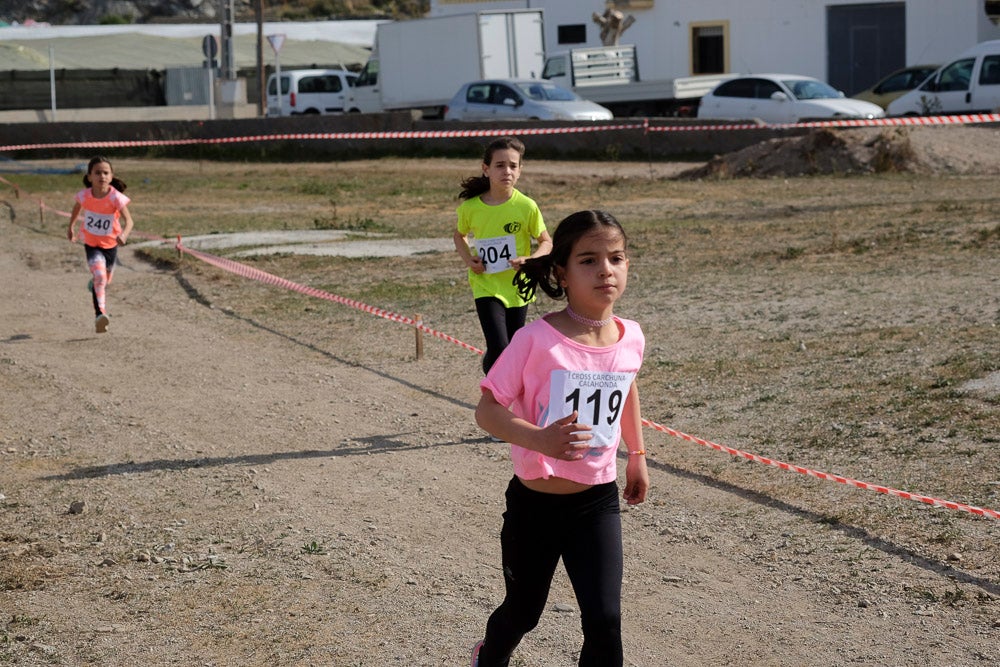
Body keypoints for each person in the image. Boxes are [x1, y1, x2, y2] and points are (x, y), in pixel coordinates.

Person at [470, 210, 649, 667]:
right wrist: (540, 441)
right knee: (523, 613)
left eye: (616, 258)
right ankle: (488, 658)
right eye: (588, 260)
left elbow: (625, 387)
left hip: (596, 502)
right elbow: (487, 411)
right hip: (535, 505)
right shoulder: (535, 339)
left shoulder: (631, 336)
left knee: (606, 621)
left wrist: (637, 455)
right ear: (561, 274)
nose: (605, 270)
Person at [453, 136, 553, 374]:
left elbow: (546, 242)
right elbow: (459, 236)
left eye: (513, 166)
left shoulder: (527, 206)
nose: (506, 171)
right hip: (485, 284)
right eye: (500, 165)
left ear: (520, 170)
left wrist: (529, 260)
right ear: (486, 169)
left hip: (519, 286)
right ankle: (493, 395)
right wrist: (469, 260)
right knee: (499, 345)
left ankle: (503, 381)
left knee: (513, 347)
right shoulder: (470, 208)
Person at [66, 156, 134, 333]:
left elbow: (130, 221)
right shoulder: (85, 195)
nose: (102, 176)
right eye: (97, 173)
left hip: (111, 244)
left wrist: (124, 235)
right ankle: (100, 315)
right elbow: (76, 208)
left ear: (111, 177)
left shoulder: (115, 198)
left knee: (106, 279)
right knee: (100, 277)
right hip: (91, 243)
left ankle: (96, 284)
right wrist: (71, 226)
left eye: (106, 173)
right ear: (89, 177)